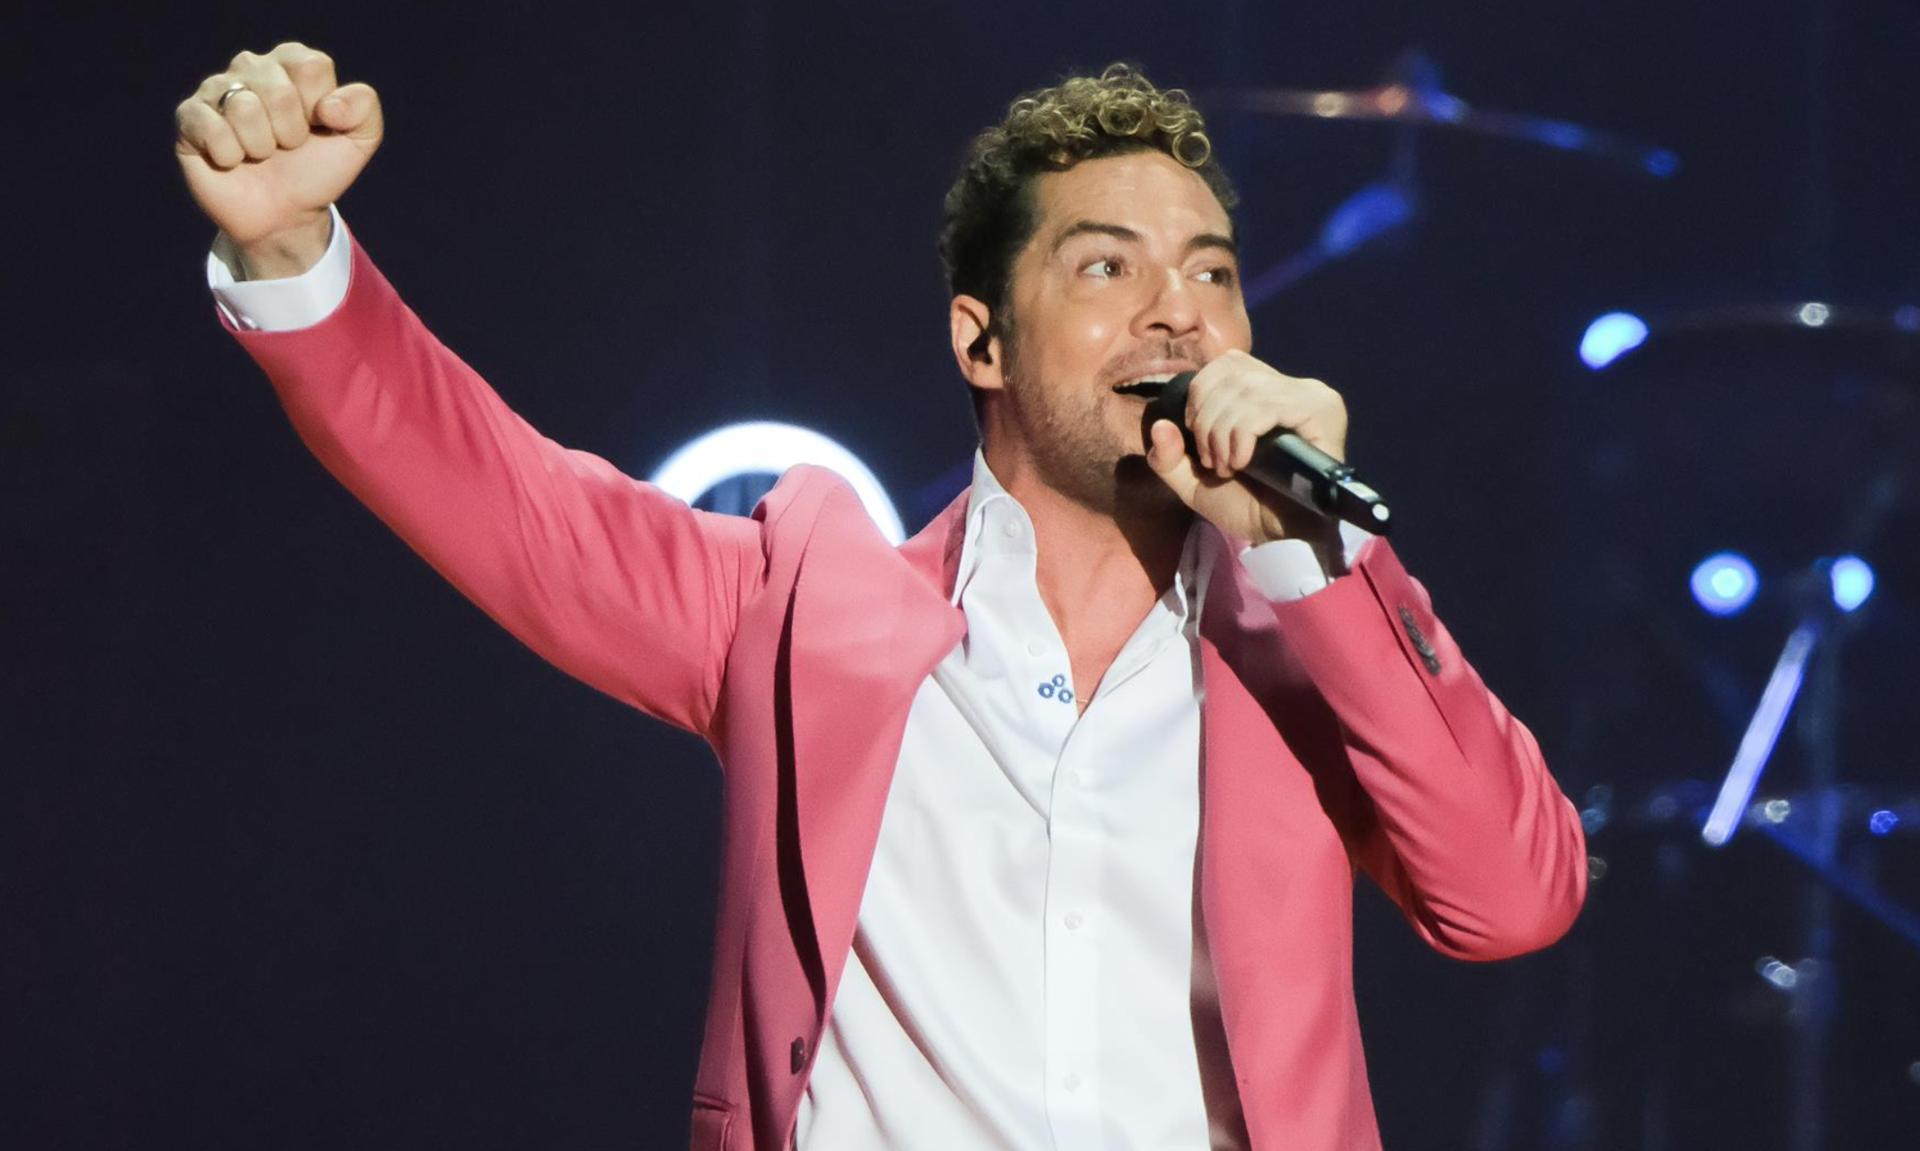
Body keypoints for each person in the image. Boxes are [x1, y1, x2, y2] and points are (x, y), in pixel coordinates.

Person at [175, 43, 1587, 1151]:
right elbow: (506, 501)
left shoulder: (1310, 651)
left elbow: (1514, 899)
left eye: (1212, 273)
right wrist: (299, 262)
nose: (1181, 311)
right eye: (1108, 266)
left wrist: (1313, 557)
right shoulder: (800, 603)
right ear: (983, 340)